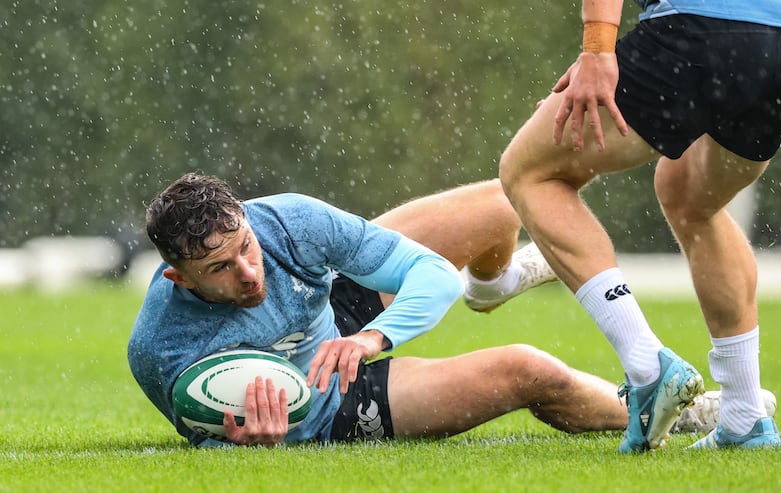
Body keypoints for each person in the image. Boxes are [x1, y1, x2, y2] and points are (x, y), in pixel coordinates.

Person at [128, 172, 730, 448]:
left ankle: (490, 288)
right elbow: (207, 430)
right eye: (222, 270)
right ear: (179, 277)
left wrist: (372, 337)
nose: (250, 273)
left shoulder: (287, 222)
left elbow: (432, 275)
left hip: (336, 318)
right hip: (325, 405)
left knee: (500, 206)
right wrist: (258, 442)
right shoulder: (162, 347)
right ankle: (672, 411)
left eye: (246, 249)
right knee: (530, 370)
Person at [498, 0, 781, 452]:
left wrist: (597, 52)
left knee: (529, 172)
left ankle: (647, 368)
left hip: (700, 28)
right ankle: (744, 417)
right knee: (690, 196)